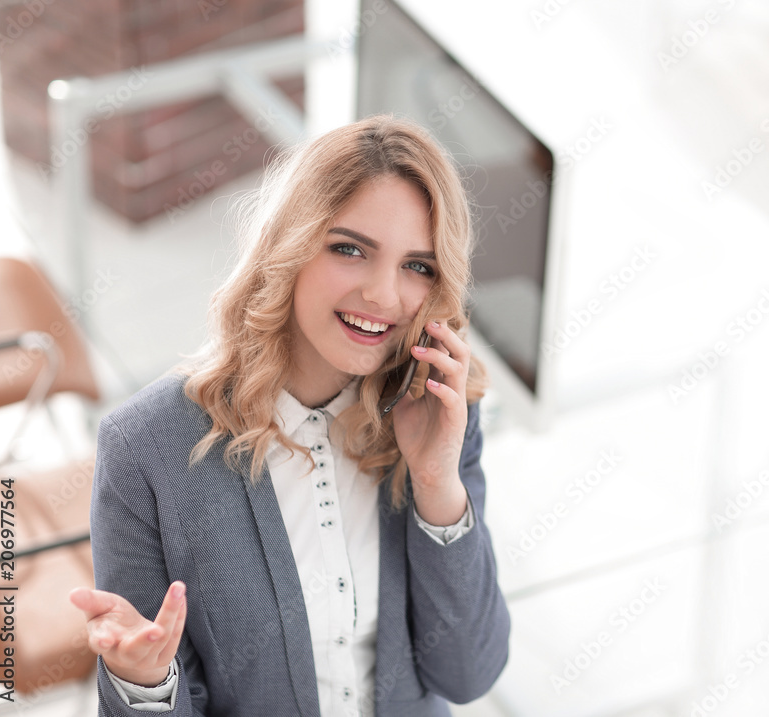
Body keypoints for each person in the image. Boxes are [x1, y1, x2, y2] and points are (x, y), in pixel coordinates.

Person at [68, 114, 511, 716]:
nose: (383, 295)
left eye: (418, 266)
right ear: (290, 245)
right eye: (349, 249)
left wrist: (437, 484)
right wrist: (143, 683)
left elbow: (468, 674)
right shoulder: (146, 447)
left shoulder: (441, 413)